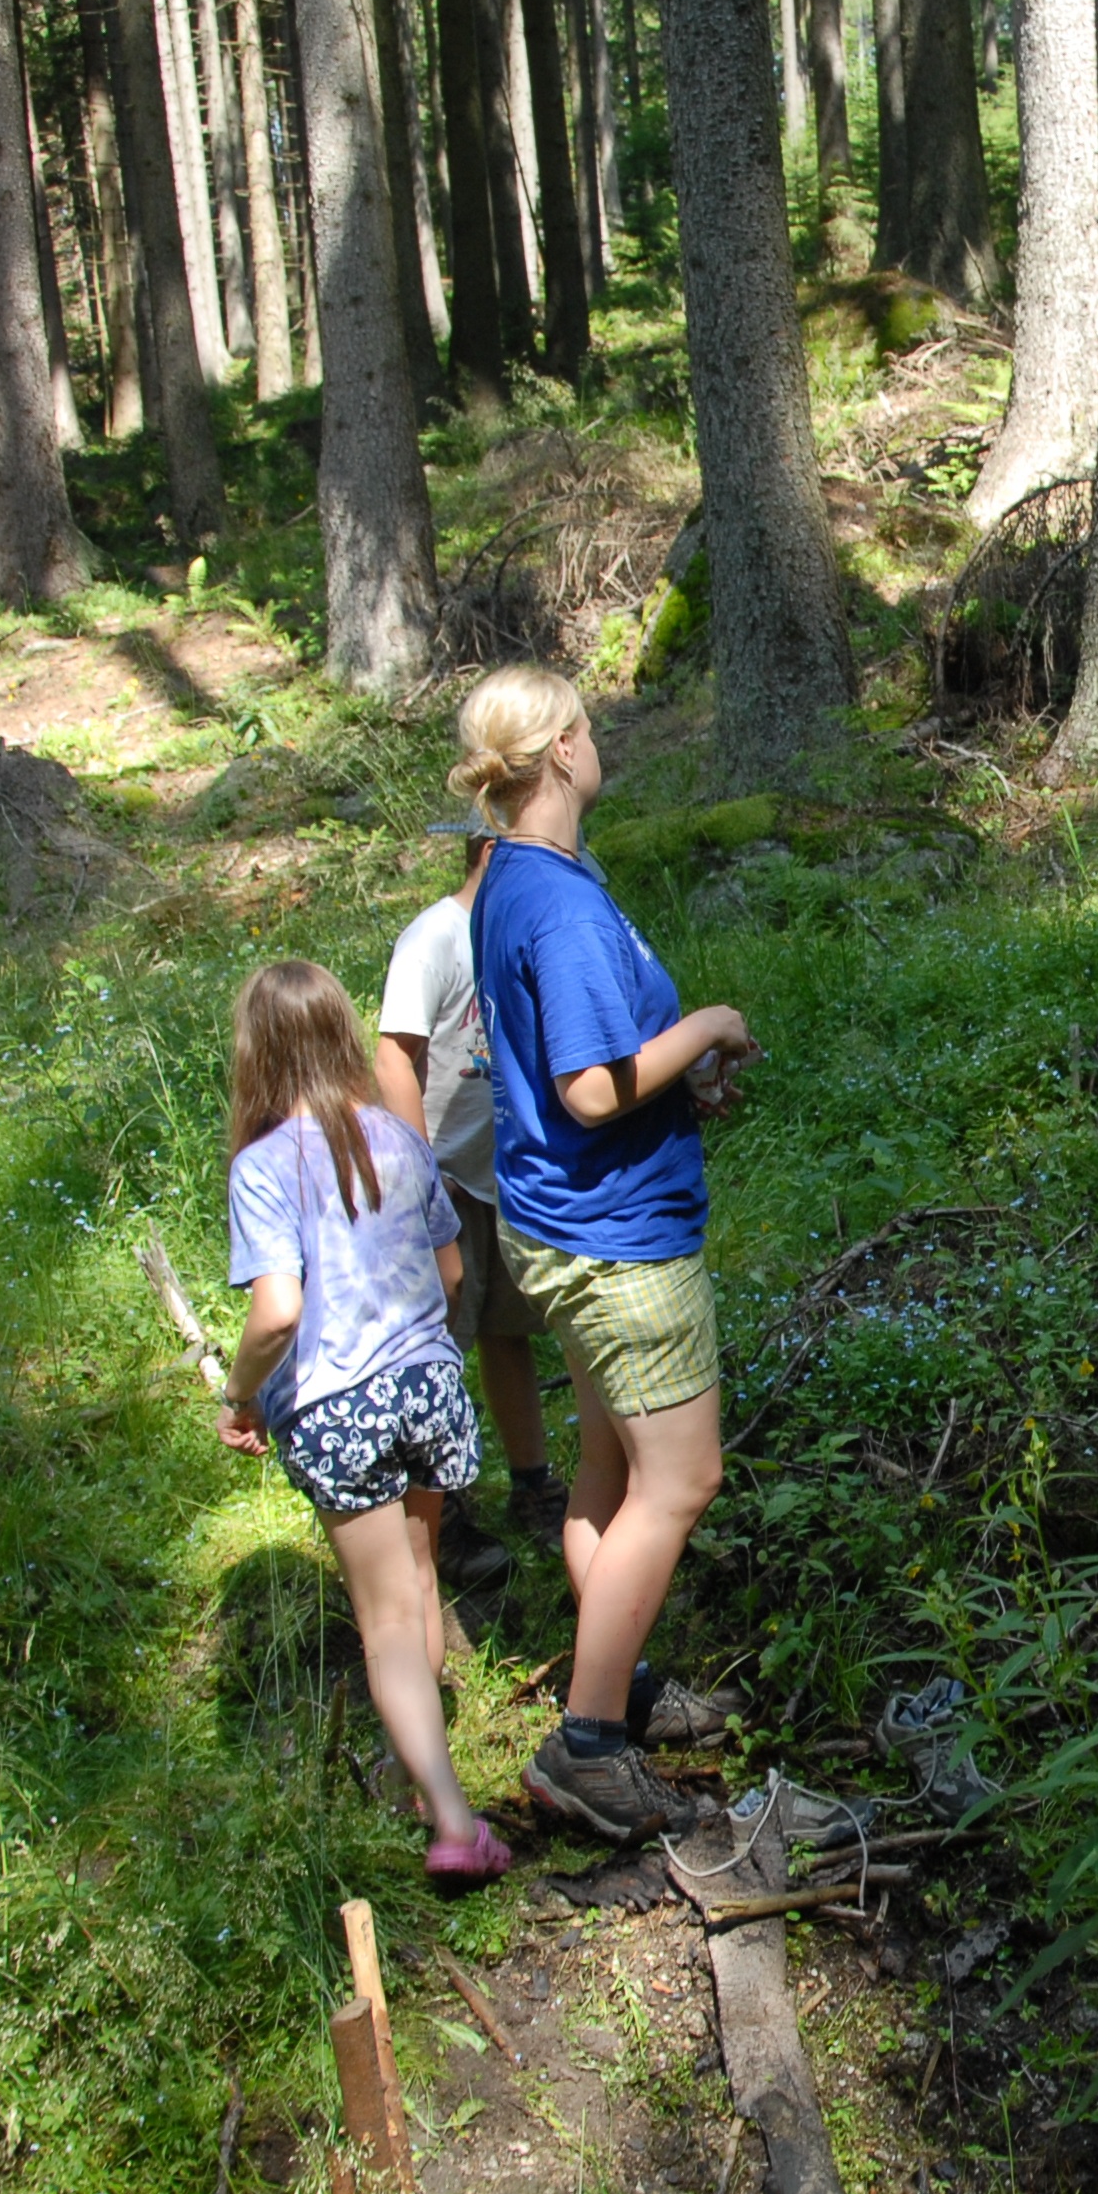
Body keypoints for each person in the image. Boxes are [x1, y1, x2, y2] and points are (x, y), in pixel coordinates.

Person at [457, 667, 758, 1846]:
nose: (601, 740)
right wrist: (708, 1026)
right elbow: (587, 1090)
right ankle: (585, 1747)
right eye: (590, 725)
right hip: (615, 1236)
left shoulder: (512, 874)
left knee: (606, 1464)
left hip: (554, 1218)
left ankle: (612, 1678)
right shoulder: (559, 901)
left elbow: (570, 1058)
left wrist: (675, 1080)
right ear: (565, 749)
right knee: (680, 1481)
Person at [217, 961, 509, 1883]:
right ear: (342, 1035)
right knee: (417, 1583)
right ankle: (419, 1771)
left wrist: (239, 1396)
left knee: (382, 1622)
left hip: (340, 1407)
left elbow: (277, 1312)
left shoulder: (262, 1167)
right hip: (429, 1385)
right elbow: (452, 1274)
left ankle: (452, 1822)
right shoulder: (399, 1138)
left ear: (256, 1054)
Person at [375, 818, 552, 1592]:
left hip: (507, 1170)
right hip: (445, 1179)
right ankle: (441, 1515)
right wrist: (420, 1176)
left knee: (508, 1333)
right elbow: (394, 1058)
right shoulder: (435, 937)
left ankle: (533, 1483)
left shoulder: (520, 928)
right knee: (438, 1346)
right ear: (488, 851)